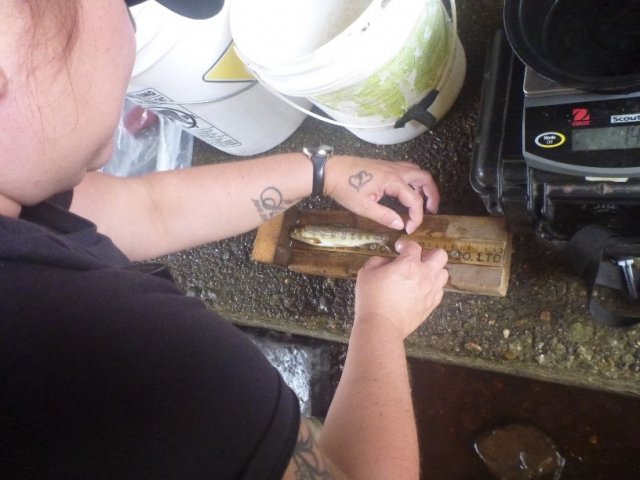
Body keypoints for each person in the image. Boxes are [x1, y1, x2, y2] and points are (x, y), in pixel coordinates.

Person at [0, 0, 449, 478]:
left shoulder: (21, 202)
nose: (127, 31)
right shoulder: (127, 355)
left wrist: (323, 171)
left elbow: (148, 211)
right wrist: (381, 323)